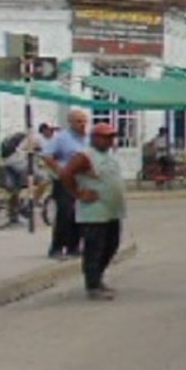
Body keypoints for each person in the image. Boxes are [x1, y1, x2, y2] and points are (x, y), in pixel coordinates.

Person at [61, 123, 127, 301]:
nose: (109, 141)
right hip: (94, 212)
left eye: (111, 137)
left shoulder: (108, 156)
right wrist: (78, 193)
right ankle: (92, 285)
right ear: (94, 138)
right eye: (104, 137)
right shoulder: (85, 156)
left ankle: (98, 277)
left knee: (111, 245)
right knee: (94, 248)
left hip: (111, 210)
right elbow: (66, 174)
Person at [42, 109, 88, 259]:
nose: (82, 125)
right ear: (71, 123)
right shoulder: (62, 138)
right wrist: (60, 169)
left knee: (79, 214)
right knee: (65, 213)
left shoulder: (87, 139)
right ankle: (56, 247)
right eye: (79, 122)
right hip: (65, 181)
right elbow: (47, 155)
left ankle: (73, 247)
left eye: (84, 121)